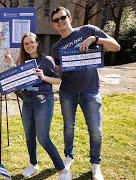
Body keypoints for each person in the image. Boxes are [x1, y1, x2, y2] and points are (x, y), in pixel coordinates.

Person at [50, 7, 120, 180]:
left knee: (96, 130)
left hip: (91, 90)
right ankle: (68, 157)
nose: (60, 22)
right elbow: (59, 72)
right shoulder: (56, 47)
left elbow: (116, 47)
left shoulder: (88, 30)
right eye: (56, 20)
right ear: (54, 26)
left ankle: (95, 164)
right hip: (67, 92)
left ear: (70, 18)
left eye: (62, 18)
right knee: (68, 128)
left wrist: (96, 39)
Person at [5, 32, 72, 179]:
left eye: (31, 42)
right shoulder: (23, 62)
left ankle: (63, 170)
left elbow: (58, 80)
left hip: (43, 101)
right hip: (27, 103)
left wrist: (43, 77)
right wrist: (11, 64)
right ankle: (33, 164)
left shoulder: (46, 60)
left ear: (37, 43)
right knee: (29, 136)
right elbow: (17, 79)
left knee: (43, 138)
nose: (29, 45)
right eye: (26, 43)